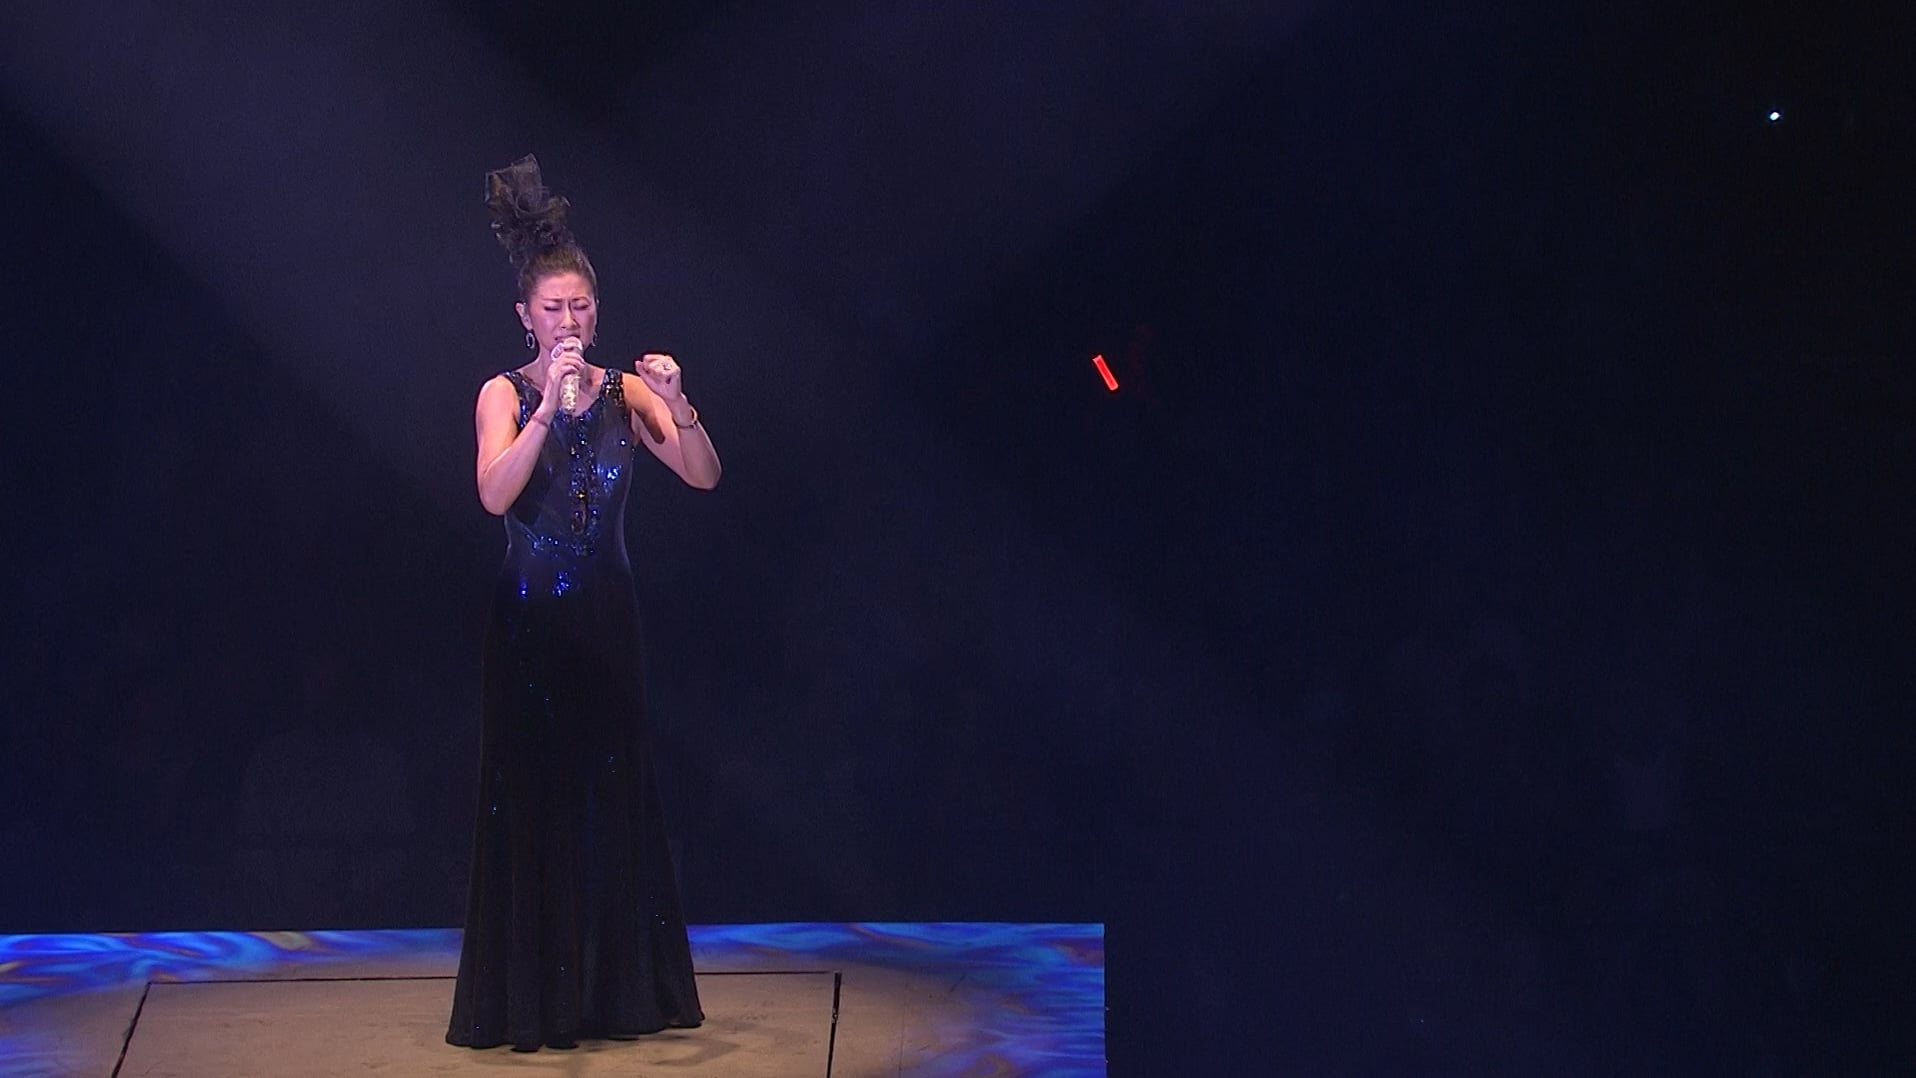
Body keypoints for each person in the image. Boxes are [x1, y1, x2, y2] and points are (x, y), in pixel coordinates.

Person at [447, 155, 718, 1052]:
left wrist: (678, 404)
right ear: (525, 315)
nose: (570, 321)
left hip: (608, 624)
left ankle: (616, 994)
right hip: (529, 628)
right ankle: (534, 1000)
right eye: (554, 308)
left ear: (596, 311)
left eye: (582, 307)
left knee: (611, 798)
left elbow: (703, 475)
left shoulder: (624, 391)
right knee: (533, 801)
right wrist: (543, 414)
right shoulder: (503, 393)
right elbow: (494, 493)